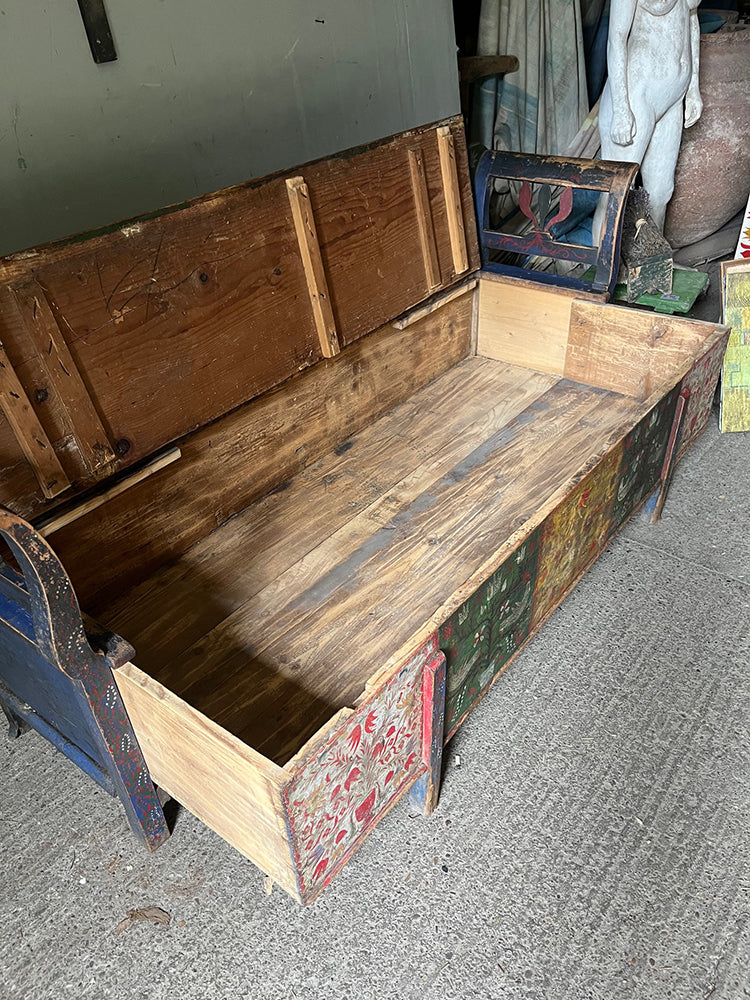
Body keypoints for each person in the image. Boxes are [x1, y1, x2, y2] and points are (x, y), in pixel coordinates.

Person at [598, 0, 702, 232]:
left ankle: (652, 253)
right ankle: (604, 255)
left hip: (673, 96)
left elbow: (691, 18)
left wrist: (693, 88)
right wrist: (621, 109)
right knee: (616, 192)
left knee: (661, 192)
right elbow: (616, 38)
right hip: (637, 94)